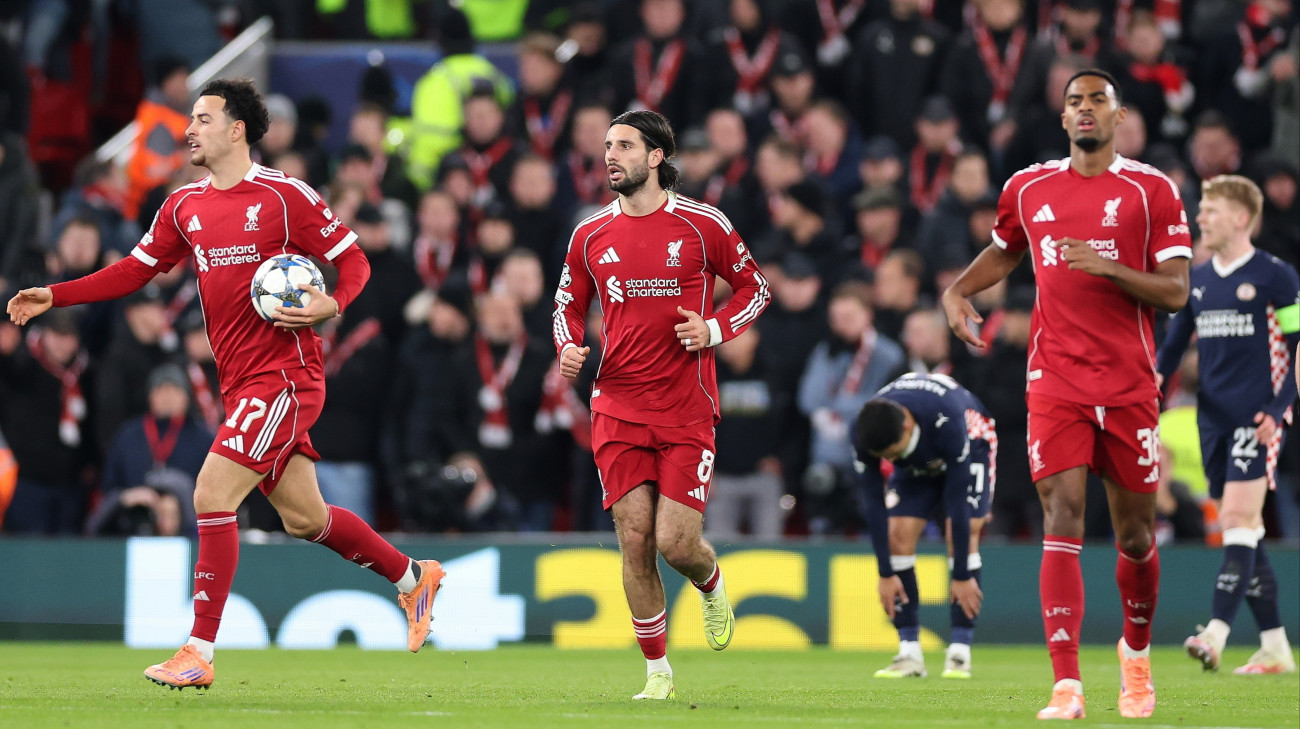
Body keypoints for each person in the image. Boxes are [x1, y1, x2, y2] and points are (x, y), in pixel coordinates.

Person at [5, 78, 444, 690]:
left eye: (203, 119)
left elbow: (355, 260)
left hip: (286, 378)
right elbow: (136, 270)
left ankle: (198, 650)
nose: (189, 129)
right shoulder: (183, 206)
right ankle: (413, 578)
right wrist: (58, 293)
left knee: (211, 493)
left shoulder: (285, 196)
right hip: (241, 385)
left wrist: (331, 304)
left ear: (237, 129)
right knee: (304, 519)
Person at [940, 68, 1192, 720]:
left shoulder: (1151, 190)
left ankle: (1135, 655)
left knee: (1136, 535)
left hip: (1131, 380)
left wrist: (1110, 266)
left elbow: (1176, 291)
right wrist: (959, 290)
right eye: (1074, 102)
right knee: (1063, 515)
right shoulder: (1028, 187)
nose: (1085, 110)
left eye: (1097, 101)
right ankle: (1067, 684)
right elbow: (1003, 250)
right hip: (1056, 379)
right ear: (1063, 118)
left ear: (1119, 115)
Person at [553, 109, 771, 700]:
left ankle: (710, 579)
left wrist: (715, 330)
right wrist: (569, 346)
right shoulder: (589, 232)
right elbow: (567, 303)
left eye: (624, 145)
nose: (610, 155)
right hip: (617, 405)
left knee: (677, 542)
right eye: (606, 145)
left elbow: (757, 288)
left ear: (655, 157)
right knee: (634, 538)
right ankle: (657, 673)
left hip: (685, 406)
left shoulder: (703, 225)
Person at [1155, 174, 1299, 675]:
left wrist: (1280, 408)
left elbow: (1298, 344)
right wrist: (1151, 384)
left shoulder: (1276, 276)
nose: (1200, 218)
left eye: (1210, 210)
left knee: (1237, 520)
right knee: (1247, 532)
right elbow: (1174, 347)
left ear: (1242, 217)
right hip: (1211, 420)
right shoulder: (1197, 279)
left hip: (1257, 417)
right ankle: (1276, 647)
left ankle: (1215, 634)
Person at [853, 372, 997, 681]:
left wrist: (960, 575)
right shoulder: (866, 430)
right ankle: (909, 654)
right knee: (898, 536)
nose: (889, 459)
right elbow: (873, 504)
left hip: (972, 441)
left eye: (893, 452)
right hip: (920, 457)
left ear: (906, 425)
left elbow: (956, 502)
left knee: (962, 534)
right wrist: (885, 573)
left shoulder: (950, 422)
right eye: (884, 457)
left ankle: (960, 651)